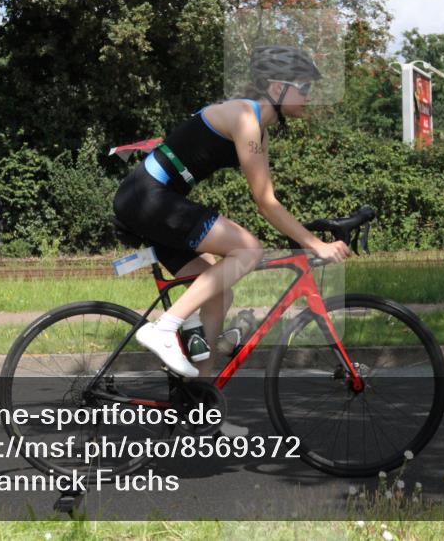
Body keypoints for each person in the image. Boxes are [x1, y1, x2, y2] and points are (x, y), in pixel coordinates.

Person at [112, 46, 351, 379]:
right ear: (276, 87)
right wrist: (315, 244)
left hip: (154, 201)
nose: (310, 96)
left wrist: (307, 235)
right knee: (248, 249)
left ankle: (198, 408)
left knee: (219, 295)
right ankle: (163, 328)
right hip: (147, 197)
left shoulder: (259, 132)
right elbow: (264, 203)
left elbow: (269, 198)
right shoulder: (244, 118)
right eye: (304, 87)